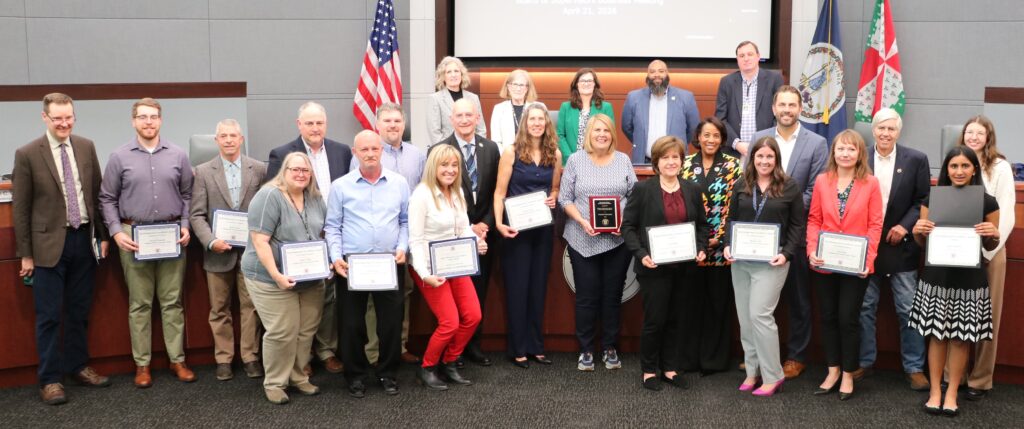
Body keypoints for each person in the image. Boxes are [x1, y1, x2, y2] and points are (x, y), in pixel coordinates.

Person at [13, 93, 111, 405]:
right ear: (45, 118)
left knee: (80, 310)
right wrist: (26, 253)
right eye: (58, 119)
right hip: (46, 247)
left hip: (84, 240)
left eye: (69, 117)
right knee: (49, 316)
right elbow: (21, 208)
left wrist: (104, 235)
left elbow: (97, 194)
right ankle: (51, 380)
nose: (64, 123)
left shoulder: (86, 146)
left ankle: (78, 366)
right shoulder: (27, 153)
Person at [99, 97, 195, 388]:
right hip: (134, 238)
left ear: (161, 120)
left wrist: (186, 225)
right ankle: (142, 365)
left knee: (172, 302)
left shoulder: (178, 155)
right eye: (143, 117)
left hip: (171, 237)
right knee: (139, 305)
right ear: (133, 121)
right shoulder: (119, 157)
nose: (149, 122)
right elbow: (107, 198)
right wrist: (116, 232)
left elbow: (189, 195)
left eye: (153, 117)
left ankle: (177, 360)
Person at [908, 146, 1000, 417]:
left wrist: (992, 232)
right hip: (937, 276)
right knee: (936, 336)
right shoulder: (931, 199)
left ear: (974, 170)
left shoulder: (988, 202)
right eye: (954, 166)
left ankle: (951, 392)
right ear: (946, 169)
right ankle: (935, 391)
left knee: (960, 338)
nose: (959, 171)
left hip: (969, 278)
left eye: (965, 166)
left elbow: (990, 245)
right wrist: (917, 231)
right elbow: (922, 242)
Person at [266, 101, 352, 376]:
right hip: (296, 240)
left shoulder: (341, 151)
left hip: (332, 234)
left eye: (320, 123)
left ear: (325, 124)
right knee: (299, 298)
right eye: (310, 123)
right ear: (299, 125)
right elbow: (273, 194)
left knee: (327, 296)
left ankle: (326, 350)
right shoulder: (282, 154)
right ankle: (300, 356)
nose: (315, 128)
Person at [749, 85, 828, 379]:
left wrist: (780, 204)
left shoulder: (817, 143)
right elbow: (748, 182)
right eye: (782, 104)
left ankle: (796, 355)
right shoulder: (759, 139)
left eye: (792, 105)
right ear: (773, 108)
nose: (786, 110)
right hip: (759, 234)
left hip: (796, 232)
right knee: (758, 300)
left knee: (797, 297)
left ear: (800, 109)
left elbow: (815, 190)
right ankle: (757, 357)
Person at [325, 130, 411, 398]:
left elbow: (405, 222)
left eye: (375, 149)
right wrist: (335, 257)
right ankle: (356, 375)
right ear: (355, 153)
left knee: (391, 324)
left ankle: (388, 373)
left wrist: (402, 248)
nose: (370, 154)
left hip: (390, 262)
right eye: (364, 150)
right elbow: (332, 226)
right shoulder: (341, 186)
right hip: (351, 265)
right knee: (351, 324)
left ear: (381, 150)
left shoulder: (399, 183)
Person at [621, 135, 710, 391]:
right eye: (665, 157)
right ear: (656, 162)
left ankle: (670, 368)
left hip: (684, 268)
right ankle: (649, 370)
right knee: (655, 320)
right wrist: (641, 254)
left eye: (676, 157)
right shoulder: (642, 189)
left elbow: (702, 226)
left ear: (682, 161)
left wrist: (701, 248)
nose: (671, 162)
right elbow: (627, 227)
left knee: (676, 319)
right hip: (653, 268)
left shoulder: (692, 189)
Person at [242, 152, 327, 405]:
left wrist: (326, 263)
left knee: (306, 330)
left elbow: (322, 233)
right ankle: (276, 382)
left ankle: (298, 376)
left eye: (305, 170)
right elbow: (260, 240)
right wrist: (277, 275)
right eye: (295, 169)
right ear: (284, 170)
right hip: (270, 277)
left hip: (310, 278)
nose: (301, 174)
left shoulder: (316, 198)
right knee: (282, 331)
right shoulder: (269, 196)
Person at [722, 136, 805, 397]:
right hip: (742, 261)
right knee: (746, 320)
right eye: (760, 156)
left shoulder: (789, 186)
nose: (764, 161)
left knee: (760, 316)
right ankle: (752, 371)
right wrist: (727, 245)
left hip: (772, 262)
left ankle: (773, 375)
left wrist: (787, 253)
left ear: (776, 159)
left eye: (770, 156)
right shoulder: (741, 184)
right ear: (752, 158)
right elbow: (731, 220)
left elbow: (797, 226)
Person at [854, 109, 930, 390]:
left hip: (902, 248)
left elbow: (923, 198)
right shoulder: (860, 156)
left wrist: (906, 226)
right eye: (881, 128)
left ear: (899, 132)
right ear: (873, 131)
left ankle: (914, 368)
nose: (885, 133)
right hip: (867, 248)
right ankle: (864, 362)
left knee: (908, 309)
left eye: (891, 129)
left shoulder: (916, 159)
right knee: (864, 308)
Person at [805, 130, 883, 401]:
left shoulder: (870, 183)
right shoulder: (822, 181)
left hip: (855, 264)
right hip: (825, 262)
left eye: (851, 149)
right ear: (833, 152)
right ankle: (832, 370)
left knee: (848, 318)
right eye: (841, 149)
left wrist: (868, 258)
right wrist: (812, 250)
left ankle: (849, 373)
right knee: (827, 317)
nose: (846, 154)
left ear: (860, 153)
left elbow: (875, 225)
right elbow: (814, 219)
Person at [189, 119, 268, 381]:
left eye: (233, 135)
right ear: (216, 140)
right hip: (217, 252)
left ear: (241, 138)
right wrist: (211, 241)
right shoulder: (202, 171)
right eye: (223, 136)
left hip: (251, 253)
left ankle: (250, 357)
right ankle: (223, 358)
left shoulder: (258, 169)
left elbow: (265, 211)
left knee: (251, 307)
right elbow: (197, 215)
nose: (229, 140)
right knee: (219, 309)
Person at [558, 113, 637, 371]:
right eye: (596, 130)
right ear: (589, 135)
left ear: (612, 134)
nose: (601, 134)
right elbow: (564, 198)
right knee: (586, 297)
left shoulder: (623, 160)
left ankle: (610, 347)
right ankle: (586, 349)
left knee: (612, 296)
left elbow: (634, 197)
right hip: (583, 239)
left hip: (617, 241)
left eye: (606, 130)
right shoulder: (576, 161)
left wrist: (622, 224)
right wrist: (582, 221)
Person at [407, 145, 488, 390]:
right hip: (430, 268)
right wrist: (425, 274)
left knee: (473, 316)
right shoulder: (422, 195)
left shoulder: (457, 193)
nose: (450, 170)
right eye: (444, 165)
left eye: (454, 165)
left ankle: (450, 361)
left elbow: (463, 228)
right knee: (450, 322)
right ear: (434, 167)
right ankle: (428, 367)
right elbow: (416, 240)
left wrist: (477, 242)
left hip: (456, 263)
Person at [350, 103, 424, 367]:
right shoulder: (366, 154)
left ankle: (399, 346)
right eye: (388, 121)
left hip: (403, 238)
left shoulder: (417, 154)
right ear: (378, 126)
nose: (393, 125)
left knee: (402, 294)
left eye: (397, 121)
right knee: (371, 299)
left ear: (403, 125)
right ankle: (372, 351)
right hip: (370, 242)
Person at [430, 98, 501, 367]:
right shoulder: (439, 149)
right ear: (451, 119)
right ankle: (452, 351)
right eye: (458, 115)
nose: (464, 120)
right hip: (451, 236)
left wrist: (486, 224)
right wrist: (466, 226)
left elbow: (497, 191)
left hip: (484, 234)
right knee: (453, 297)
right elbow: (436, 191)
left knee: (477, 294)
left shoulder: (490, 148)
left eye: (469, 115)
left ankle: (473, 345)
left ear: (476, 118)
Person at [494, 102, 562, 368]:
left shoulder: (554, 154)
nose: (536, 123)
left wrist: (554, 198)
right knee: (518, 289)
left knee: (537, 288)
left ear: (547, 123)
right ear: (525, 123)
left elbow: (555, 188)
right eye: (531, 119)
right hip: (515, 230)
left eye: (540, 119)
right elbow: (500, 193)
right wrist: (499, 223)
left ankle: (536, 346)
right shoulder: (511, 152)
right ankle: (518, 348)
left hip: (543, 230)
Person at [957, 115, 1016, 401]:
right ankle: (951, 376)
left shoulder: (1001, 167)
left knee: (986, 316)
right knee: (955, 314)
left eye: (980, 133)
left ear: (988, 137)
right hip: (956, 250)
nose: (974, 137)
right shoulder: (956, 162)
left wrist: (987, 249)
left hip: (991, 250)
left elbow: (1006, 213)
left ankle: (979, 380)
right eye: (970, 132)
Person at [679, 117, 742, 374]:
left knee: (717, 305)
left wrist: (721, 237)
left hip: (719, 249)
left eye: (716, 135)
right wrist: (696, 239)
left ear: (722, 139)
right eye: (706, 135)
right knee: (690, 305)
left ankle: (713, 360)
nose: (710, 140)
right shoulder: (685, 164)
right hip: (690, 247)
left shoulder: (733, 165)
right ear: (698, 137)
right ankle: (689, 359)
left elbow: (736, 205)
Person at [715, 41, 784, 159]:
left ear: (758, 56)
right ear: (737, 59)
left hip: (766, 150)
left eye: (750, 54)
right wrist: (737, 144)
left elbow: (779, 114)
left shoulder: (774, 79)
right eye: (741, 56)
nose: (746, 59)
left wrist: (765, 143)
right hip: (734, 152)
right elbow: (720, 118)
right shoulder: (727, 82)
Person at [622, 59, 700, 164]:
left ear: (667, 74)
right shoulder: (634, 97)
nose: (656, 75)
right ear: (647, 75)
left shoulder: (686, 97)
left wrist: (680, 143)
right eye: (652, 72)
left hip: (674, 163)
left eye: (661, 71)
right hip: (643, 162)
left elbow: (693, 129)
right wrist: (641, 141)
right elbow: (627, 127)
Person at [557, 68, 615, 165]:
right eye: (582, 81)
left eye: (589, 81)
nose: (586, 83)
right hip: (570, 162)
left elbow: (610, 135)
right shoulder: (565, 107)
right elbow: (560, 135)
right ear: (577, 84)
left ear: (594, 84)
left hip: (598, 162)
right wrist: (571, 158)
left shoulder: (606, 107)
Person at [426, 56, 486, 145]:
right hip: (447, 153)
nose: (453, 75)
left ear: (462, 75)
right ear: (443, 77)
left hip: (472, 151)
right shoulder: (435, 99)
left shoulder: (473, 98)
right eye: (449, 72)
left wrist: (475, 148)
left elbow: (481, 130)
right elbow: (435, 133)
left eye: (456, 71)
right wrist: (450, 151)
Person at [491, 69, 540, 152]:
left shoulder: (538, 107)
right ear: (508, 87)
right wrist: (507, 157)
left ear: (527, 88)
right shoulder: (499, 109)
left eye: (522, 85)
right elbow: (496, 141)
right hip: (507, 157)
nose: (518, 89)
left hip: (534, 156)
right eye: (514, 84)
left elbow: (545, 137)